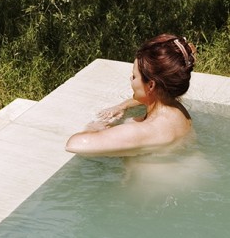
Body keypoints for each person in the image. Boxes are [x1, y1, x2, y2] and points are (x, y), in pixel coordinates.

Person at [66, 34, 197, 157]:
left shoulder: (146, 130)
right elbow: (151, 97)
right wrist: (122, 106)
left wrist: (94, 129)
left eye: (134, 76)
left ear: (151, 85)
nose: (131, 80)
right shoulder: (176, 109)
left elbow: (73, 144)